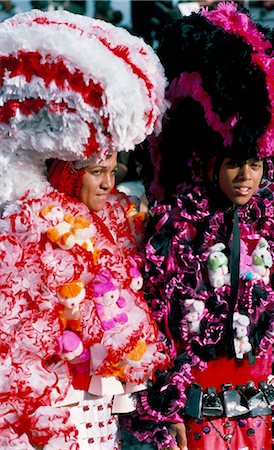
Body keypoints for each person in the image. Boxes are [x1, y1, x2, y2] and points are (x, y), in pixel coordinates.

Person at [123, 3, 274, 450]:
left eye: (256, 164)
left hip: (259, 400)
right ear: (208, 161)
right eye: (235, 164)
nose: (246, 177)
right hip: (194, 404)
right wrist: (165, 406)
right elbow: (159, 319)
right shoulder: (177, 224)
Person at [0, 9, 169, 449]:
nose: (110, 184)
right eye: (98, 172)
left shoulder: (118, 222)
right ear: (70, 175)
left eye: (114, 170)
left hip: (105, 411)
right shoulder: (32, 227)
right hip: (57, 405)